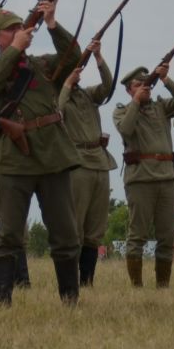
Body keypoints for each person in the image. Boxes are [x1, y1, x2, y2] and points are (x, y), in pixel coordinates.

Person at [0, 0, 81, 304]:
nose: (20, 32)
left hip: (53, 157)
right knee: (8, 234)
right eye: (11, 30)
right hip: (14, 160)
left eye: (21, 27)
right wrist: (13, 49)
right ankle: (3, 300)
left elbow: (73, 58)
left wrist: (52, 23)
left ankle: (70, 298)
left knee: (65, 233)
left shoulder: (42, 65)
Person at [113, 62, 174, 287]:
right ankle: (137, 286)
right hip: (141, 180)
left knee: (167, 235)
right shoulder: (123, 110)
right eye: (139, 85)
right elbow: (125, 129)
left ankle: (163, 286)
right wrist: (136, 101)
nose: (146, 88)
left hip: (167, 178)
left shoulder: (161, 107)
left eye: (148, 84)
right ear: (129, 90)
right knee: (137, 236)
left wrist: (165, 79)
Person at [60, 50, 119, 288]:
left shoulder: (87, 95)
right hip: (78, 162)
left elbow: (108, 86)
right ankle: (71, 281)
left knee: (95, 227)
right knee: (76, 227)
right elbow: (58, 111)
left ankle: (87, 281)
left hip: (99, 161)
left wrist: (99, 57)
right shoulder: (59, 95)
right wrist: (66, 84)